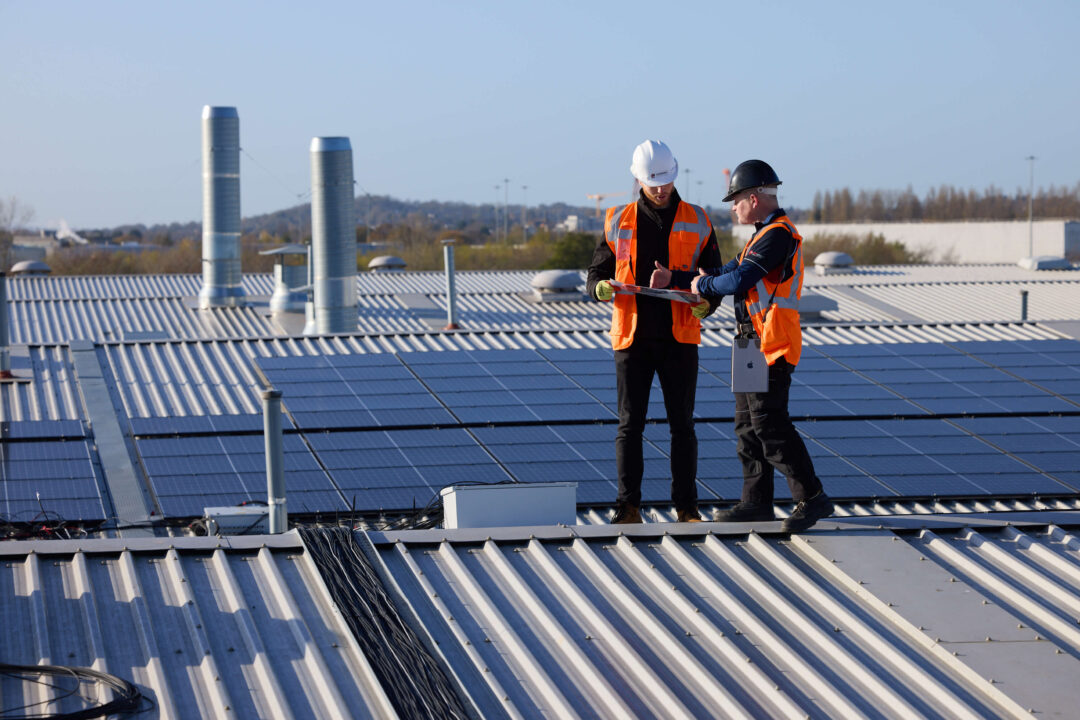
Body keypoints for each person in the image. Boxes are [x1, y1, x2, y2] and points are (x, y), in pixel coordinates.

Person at [652, 159, 833, 532]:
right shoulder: (760, 236)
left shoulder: (778, 235)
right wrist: (677, 278)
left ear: (753, 198)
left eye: (735, 201)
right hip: (751, 344)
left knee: (769, 423)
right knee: (747, 426)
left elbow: (739, 279)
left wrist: (702, 286)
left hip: (772, 344)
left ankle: (812, 496)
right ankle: (756, 502)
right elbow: (723, 271)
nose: (733, 208)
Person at [586, 139, 722, 524]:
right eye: (653, 183)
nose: (661, 190)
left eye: (665, 182)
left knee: (683, 426)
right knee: (630, 425)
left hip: (680, 337)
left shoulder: (699, 219)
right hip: (633, 337)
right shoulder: (617, 219)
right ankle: (628, 507)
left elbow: (715, 277)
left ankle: (687, 508)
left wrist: (709, 303)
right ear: (639, 180)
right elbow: (596, 273)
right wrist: (598, 288)